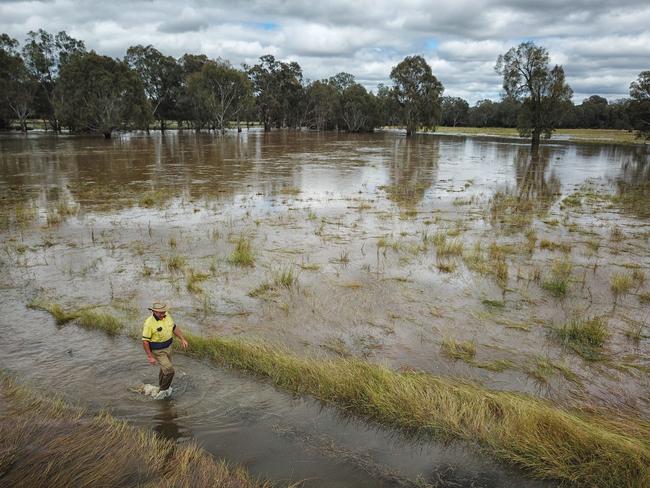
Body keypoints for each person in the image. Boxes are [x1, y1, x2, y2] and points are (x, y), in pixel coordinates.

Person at [142, 302, 188, 398]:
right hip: (158, 351)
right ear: (153, 311)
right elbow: (145, 341)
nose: (163, 314)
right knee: (170, 370)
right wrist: (150, 357)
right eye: (160, 312)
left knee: (165, 369)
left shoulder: (167, 316)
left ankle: (161, 386)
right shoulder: (149, 323)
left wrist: (182, 339)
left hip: (168, 348)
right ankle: (163, 391)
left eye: (164, 312)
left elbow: (174, 327)